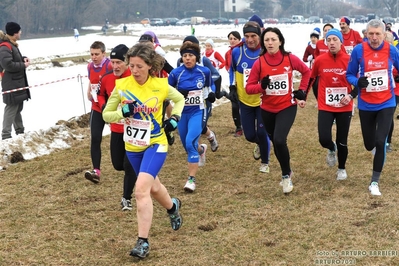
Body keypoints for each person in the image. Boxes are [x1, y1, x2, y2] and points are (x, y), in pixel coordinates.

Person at [102, 43, 184, 258]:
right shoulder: (122, 86)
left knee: (140, 191)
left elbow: (179, 99)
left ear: (149, 66)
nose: (135, 70)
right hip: (133, 147)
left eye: (139, 66)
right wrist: (122, 112)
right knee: (154, 188)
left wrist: (174, 118)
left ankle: (143, 242)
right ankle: (172, 207)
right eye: (132, 66)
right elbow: (105, 115)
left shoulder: (161, 85)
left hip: (156, 144)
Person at [246, 27, 311, 193]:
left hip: (287, 106)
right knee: (276, 142)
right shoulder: (259, 62)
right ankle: (287, 170)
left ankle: (285, 177)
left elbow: (307, 71)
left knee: (280, 139)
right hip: (267, 109)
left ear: (280, 41)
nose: (270, 43)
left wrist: (302, 91)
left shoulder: (289, 58)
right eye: (267, 40)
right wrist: (261, 86)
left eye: (273, 39)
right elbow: (249, 88)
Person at [346, 19, 399, 196]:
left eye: (378, 34)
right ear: (366, 34)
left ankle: (374, 181)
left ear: (384, 35)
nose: (374, 38)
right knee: (369, 144)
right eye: (371, 34)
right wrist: (357, 82)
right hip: (367, 104)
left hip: (386, 102)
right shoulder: (359, 50)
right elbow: (350, 74)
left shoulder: (391, 50)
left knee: (380, 141)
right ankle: (376, 150)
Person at [168, 41, 215, 192]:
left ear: (196, 57)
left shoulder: (204, 71)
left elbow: (209, 87)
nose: (187, 58)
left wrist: (212, 94)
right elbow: (167, 92)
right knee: (188, 146)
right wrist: (177, 95)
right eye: (185, 56)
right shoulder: (176, 73)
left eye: (190, 56)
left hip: (198, 111)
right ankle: (202, 150)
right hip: (182, 113)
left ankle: (191, 180)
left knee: (190, 142)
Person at [310, 29, 355, 180]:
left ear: (341, 42)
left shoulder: (350, 60)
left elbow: (360, 81)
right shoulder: (320, 60)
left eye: (335, 39)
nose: (331, 43)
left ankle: (341, 168)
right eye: (328, 40)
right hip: (326, 105)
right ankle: (331, 147)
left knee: (343, 140)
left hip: (344, 106)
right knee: (323, 138)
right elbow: (311, 78)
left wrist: (351, 96)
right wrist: (303, 93)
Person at [97, 44, 137, 211]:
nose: (115, 66)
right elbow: (99, 94)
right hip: (116, 128)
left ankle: (126, 198)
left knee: (129, 165)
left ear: (127, 62)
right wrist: (104, 106)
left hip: (133, 129)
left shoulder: (135, 78)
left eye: (119, 62)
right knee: (118, 165)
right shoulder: (106, 78)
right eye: (112, 62)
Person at [229, 21, 271, 173]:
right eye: (246, 36)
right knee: (249, 135)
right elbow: (231, 70)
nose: (250, 39)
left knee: (261, 132)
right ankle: (262, 144)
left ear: (260, 35)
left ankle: (265, 163)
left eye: (253, 36)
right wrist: (232, 86)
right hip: (245, 100)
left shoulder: (266, 51)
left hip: (262, 100)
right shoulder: (237, 52)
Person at [84, 41, 112, 183]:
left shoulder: (110, 66)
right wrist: (89, 92)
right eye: (92, 54)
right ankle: (96, 170)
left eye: (97, 54)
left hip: (112, 108)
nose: (94, 57)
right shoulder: (89, 66)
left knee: (122, 139)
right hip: (96, 107)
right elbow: (92, 81)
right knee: (95, 138)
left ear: (103, 54)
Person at [0, 22, 31, 140]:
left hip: (17, 82)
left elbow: (13, 60)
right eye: (19, 31)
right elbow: (7, 64)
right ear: (14, 33)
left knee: (17, 108)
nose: (21, 33)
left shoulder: (12, 45)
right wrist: (23, 65)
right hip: (11, 83)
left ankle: (20, 131)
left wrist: (23, 59)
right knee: (11, 108)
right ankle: (6, 135)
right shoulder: (5, 46)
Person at [225, 31, 243, 137]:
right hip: (234, 82)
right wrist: (232, 84)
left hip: (245, 82)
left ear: (239, 40)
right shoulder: (228, 53)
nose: (232, 41)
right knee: (235, 106)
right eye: (230, 38)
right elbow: (229, 67)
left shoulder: (243, 51)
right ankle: (238, 127)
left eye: (235, 39)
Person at [384, 31, 399, 152]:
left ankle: (387, 141)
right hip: (384, 89)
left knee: (389, 115)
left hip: (396, 90)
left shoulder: (395, 53)